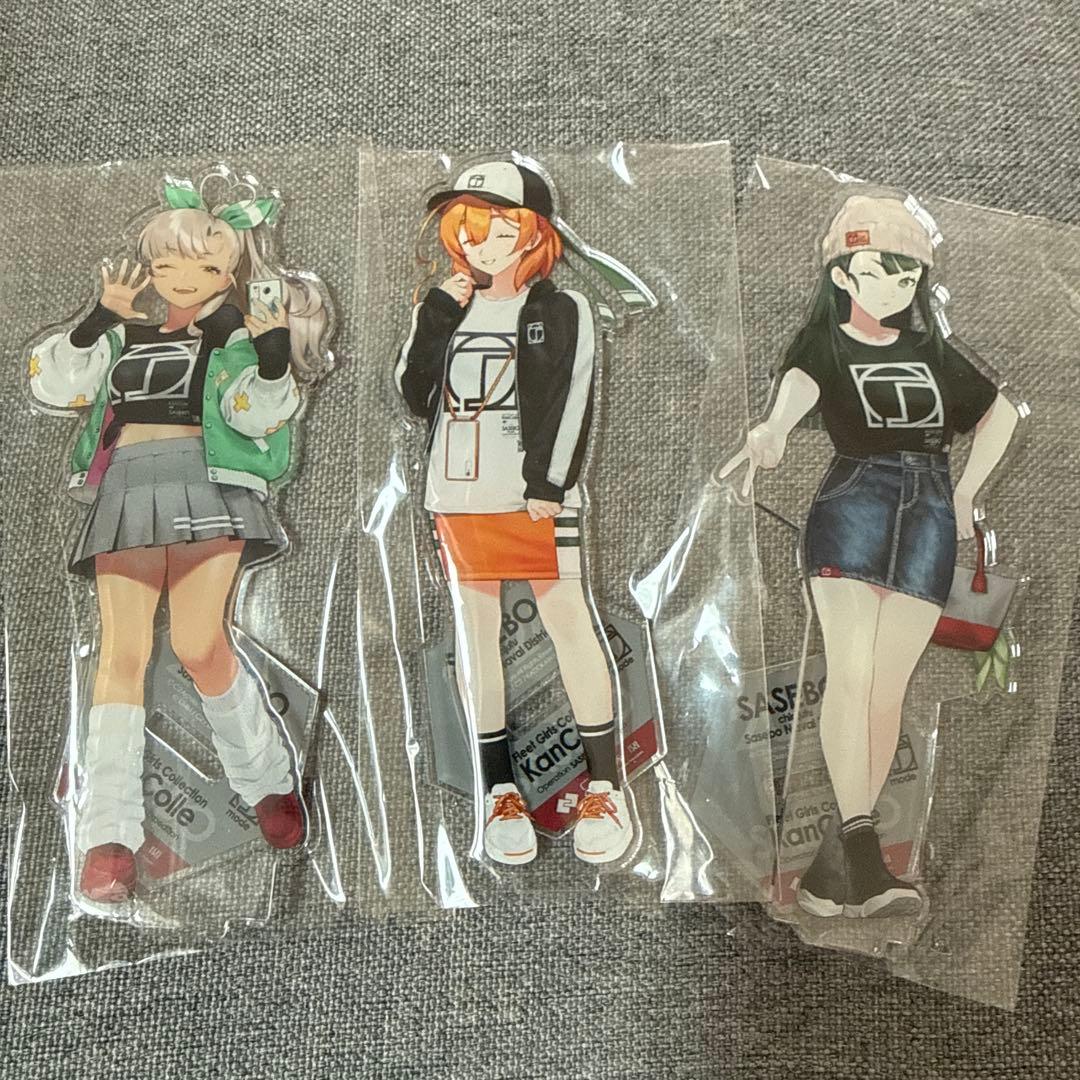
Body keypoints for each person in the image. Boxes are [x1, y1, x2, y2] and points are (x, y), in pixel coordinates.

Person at [29, 174, 331, 902]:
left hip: (207, 481)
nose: (182, 277)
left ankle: (268, 782)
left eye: (202, 265)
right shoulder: (124, 335)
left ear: (229, 273)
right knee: (121, 654)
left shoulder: (233, 342)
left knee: (200, 643)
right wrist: (96, 319)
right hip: (127, 486)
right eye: (166, 262)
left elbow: (260, 414)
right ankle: (107, 835)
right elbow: (55, 387)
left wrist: (270, 352)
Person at [723, 193, 1018, 917]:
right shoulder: (823, 345)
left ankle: (837, 870)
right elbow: (792, 398)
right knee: (852, 676)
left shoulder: (932, 353)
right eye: (877, 273)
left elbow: (1002, 413)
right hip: (853, 506)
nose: (893, 289)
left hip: (929, 513)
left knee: (888, 688)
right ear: (842, 276)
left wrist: (965, 495)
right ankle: (862, 857)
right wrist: (771, 433)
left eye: (906, 277)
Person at [394, 160, 633, 865]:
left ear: (534, 233)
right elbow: (413, 394)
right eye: (469, 228)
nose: (482, 242)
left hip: (534, 496)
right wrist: (437, 314)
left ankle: (606, 786)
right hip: (456, 492)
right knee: (476, 637)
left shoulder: (563, 309)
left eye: (500, 228)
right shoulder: (445, 306)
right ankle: (498, 789)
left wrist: (549, 484)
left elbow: (573, 398)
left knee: (568, 622)